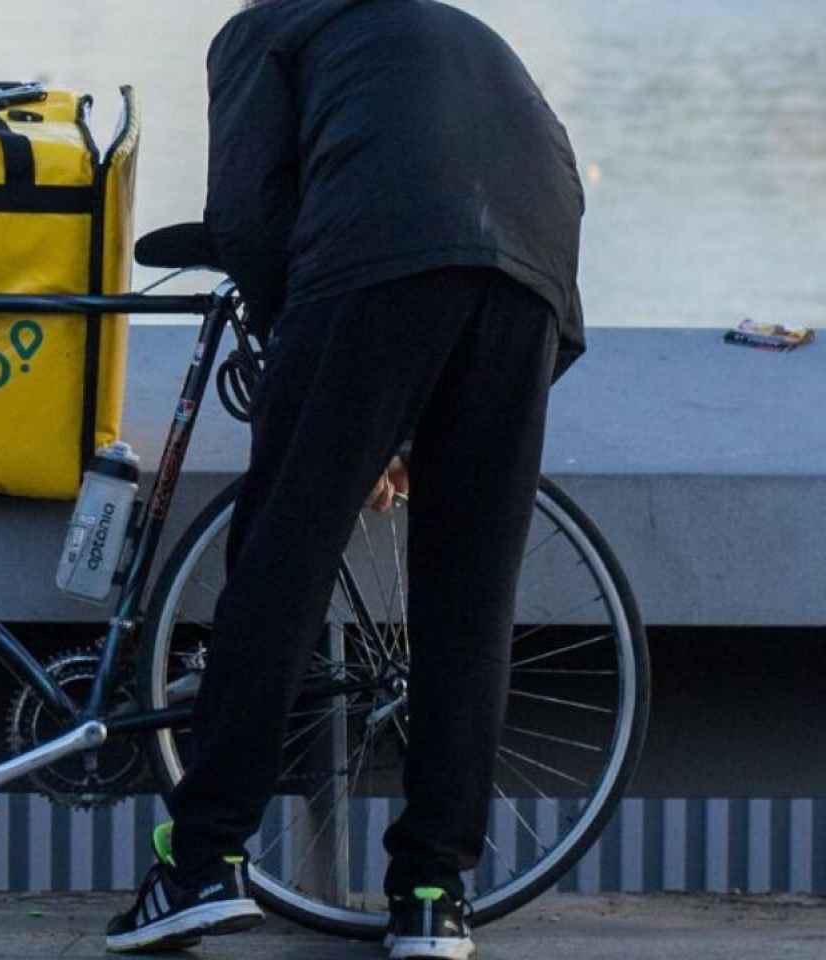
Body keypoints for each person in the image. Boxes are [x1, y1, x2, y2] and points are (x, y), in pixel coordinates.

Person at [105, 0, 586, 957]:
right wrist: (399, 419)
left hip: (378, 264)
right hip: (532, 277)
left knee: (281, 564)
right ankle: (431, 897)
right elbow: (553, 169)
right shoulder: (450, 27)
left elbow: (247, 224)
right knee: (471, 590)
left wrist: (327, 389)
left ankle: (201, 864)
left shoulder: (265, 30)